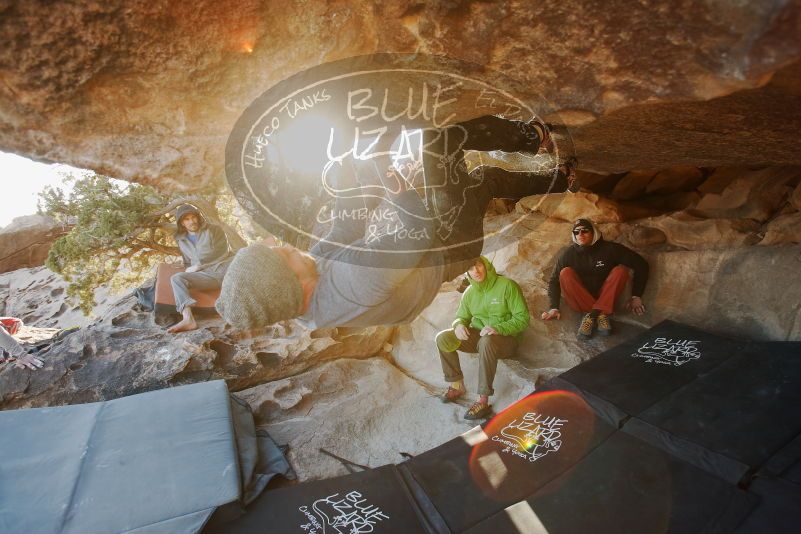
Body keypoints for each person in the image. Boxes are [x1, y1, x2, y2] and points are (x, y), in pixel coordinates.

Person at [215, 115, 571, 331]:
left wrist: (347, 179)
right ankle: (538, 144)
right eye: (278, 255)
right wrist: (399, 192)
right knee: (451, 154)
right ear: (289, 285)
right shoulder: (354, 285)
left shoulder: (306, 282)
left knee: (470, 172)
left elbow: (345, 230)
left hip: (423, 251)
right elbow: (419, 235)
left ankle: (554, 169)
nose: (281, 245)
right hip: (448, 248)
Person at [435, 256, 530, 420]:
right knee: (443, 338)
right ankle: (457, 385)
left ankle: (482, 400)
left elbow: (523, 319)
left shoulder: (507, 285)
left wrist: (498, 328)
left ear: (486, 265)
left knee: (487, 340)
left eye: (478, 265)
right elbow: (461, 317)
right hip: (481, 337)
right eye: (471, 269)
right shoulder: (469, 293)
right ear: (467, 272)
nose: (476, 271)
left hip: (506, 341)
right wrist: (458, 326)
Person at [541, 218, 649, 339]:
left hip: (604, 295)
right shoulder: (568, 254)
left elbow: (641, 264)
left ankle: (591, 316)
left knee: (621, 271)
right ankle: (601, 314)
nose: (580, 234)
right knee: (565, 273)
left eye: (585, 231)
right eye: (576, 232)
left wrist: (636, 295)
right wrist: (553, 307)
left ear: (594, 233)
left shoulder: (611, 249)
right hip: (579, 299)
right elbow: (554, 281)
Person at [168, 204, 234, 333]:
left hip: (223, 270)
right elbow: (188, 262)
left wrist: (199, 265)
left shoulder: (214, 230)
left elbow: (222, 251)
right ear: (182, 223)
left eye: (193, 217)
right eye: (187, 219)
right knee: (176, 279)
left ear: (198, 217)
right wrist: (189, 268)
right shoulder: (181, 240)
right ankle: (188, 319)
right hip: (206, 277)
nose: (192, 221)